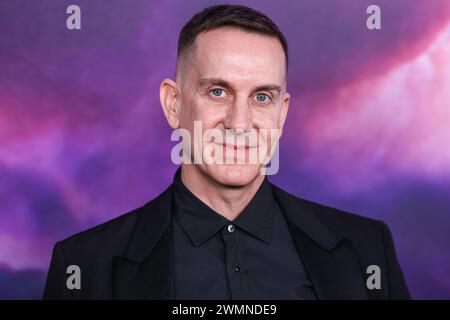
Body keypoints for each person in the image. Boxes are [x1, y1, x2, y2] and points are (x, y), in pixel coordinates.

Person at [43, 4, 410, 300]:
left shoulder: (367, 250)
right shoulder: (84, 268)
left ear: (281, 113)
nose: (239, 122)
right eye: (218, 91)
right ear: (174, 104)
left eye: (262, 97)